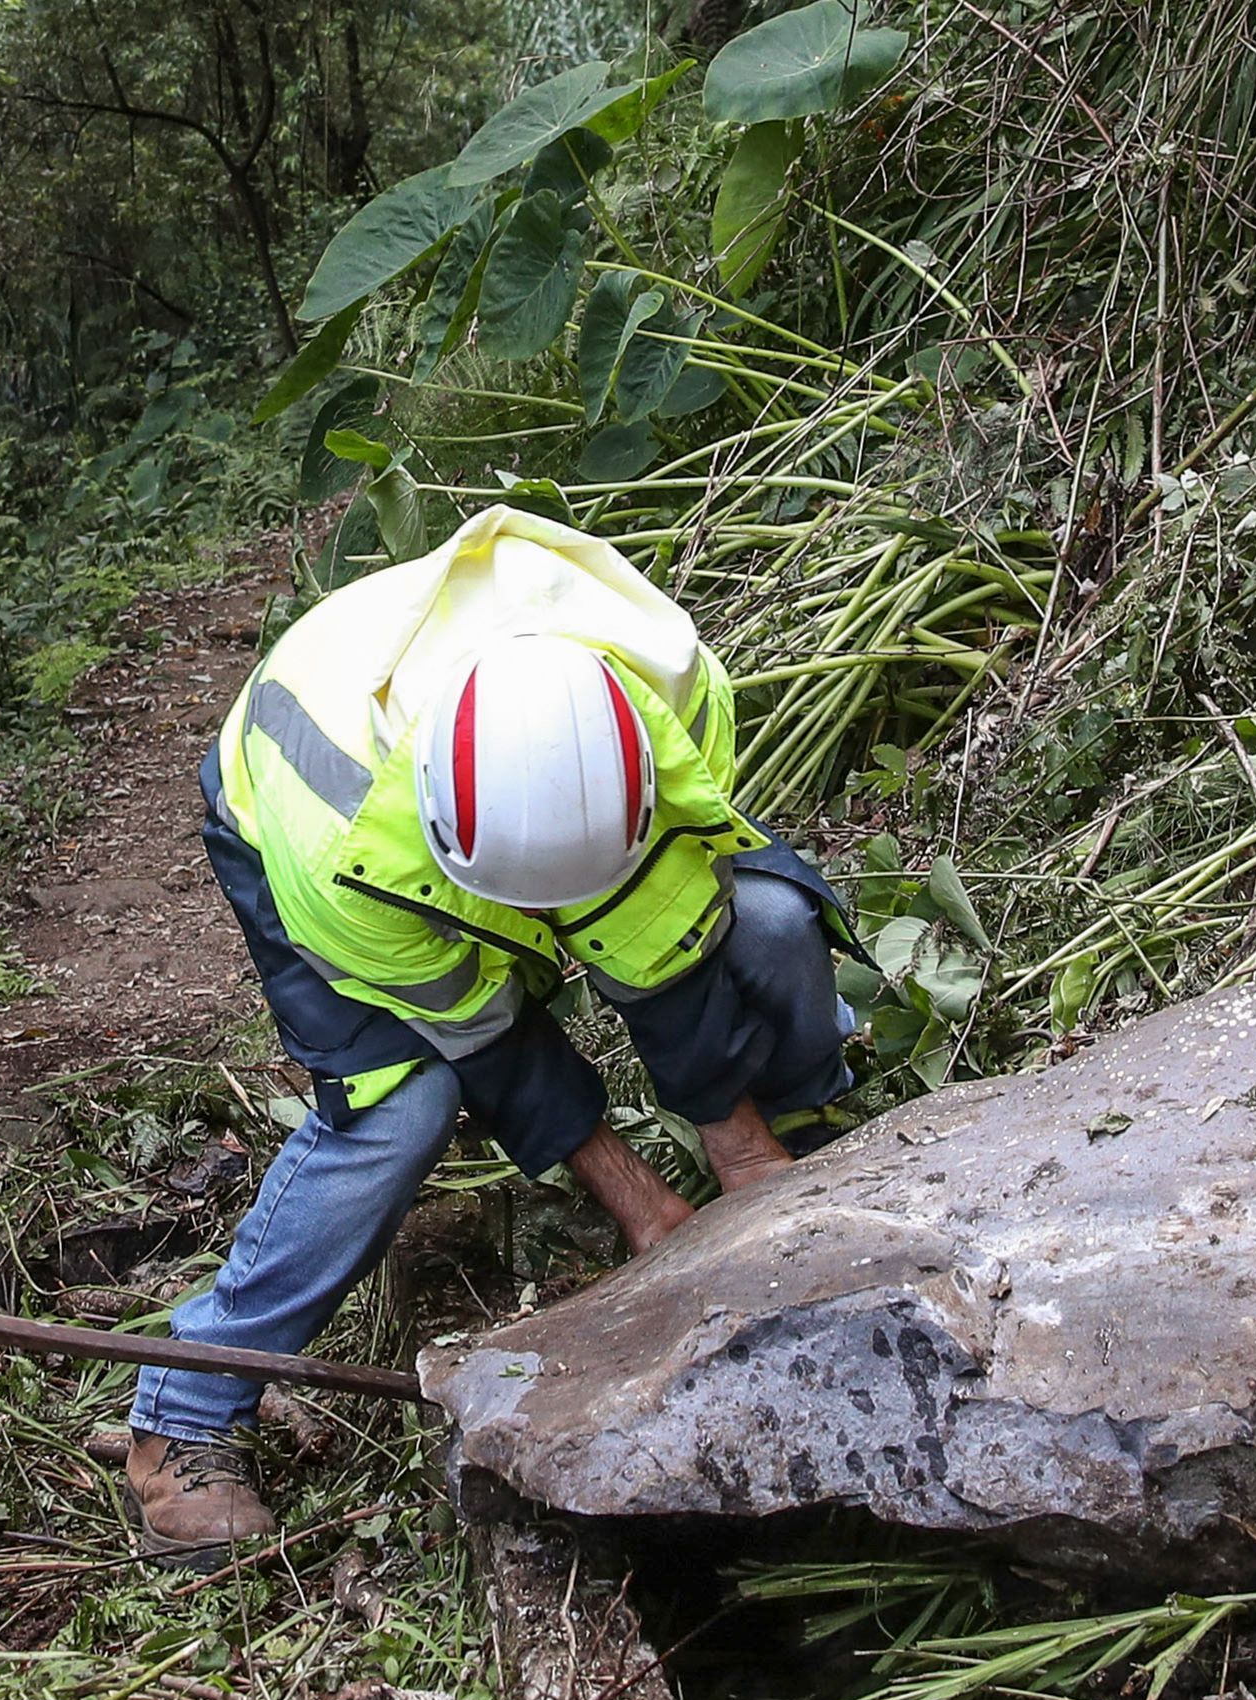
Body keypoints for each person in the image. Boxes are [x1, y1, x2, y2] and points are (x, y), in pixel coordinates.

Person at [123, 506, 866, 1562]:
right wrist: (642, 1205)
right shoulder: (343, 848)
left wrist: (745, 1161)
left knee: (768, 921)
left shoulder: (669, 690)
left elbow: (659, 931)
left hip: (548, 797)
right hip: (284, 808)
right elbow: (489, 1036)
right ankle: (186, 1412)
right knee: (402, 1104)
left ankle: (805, 1141)